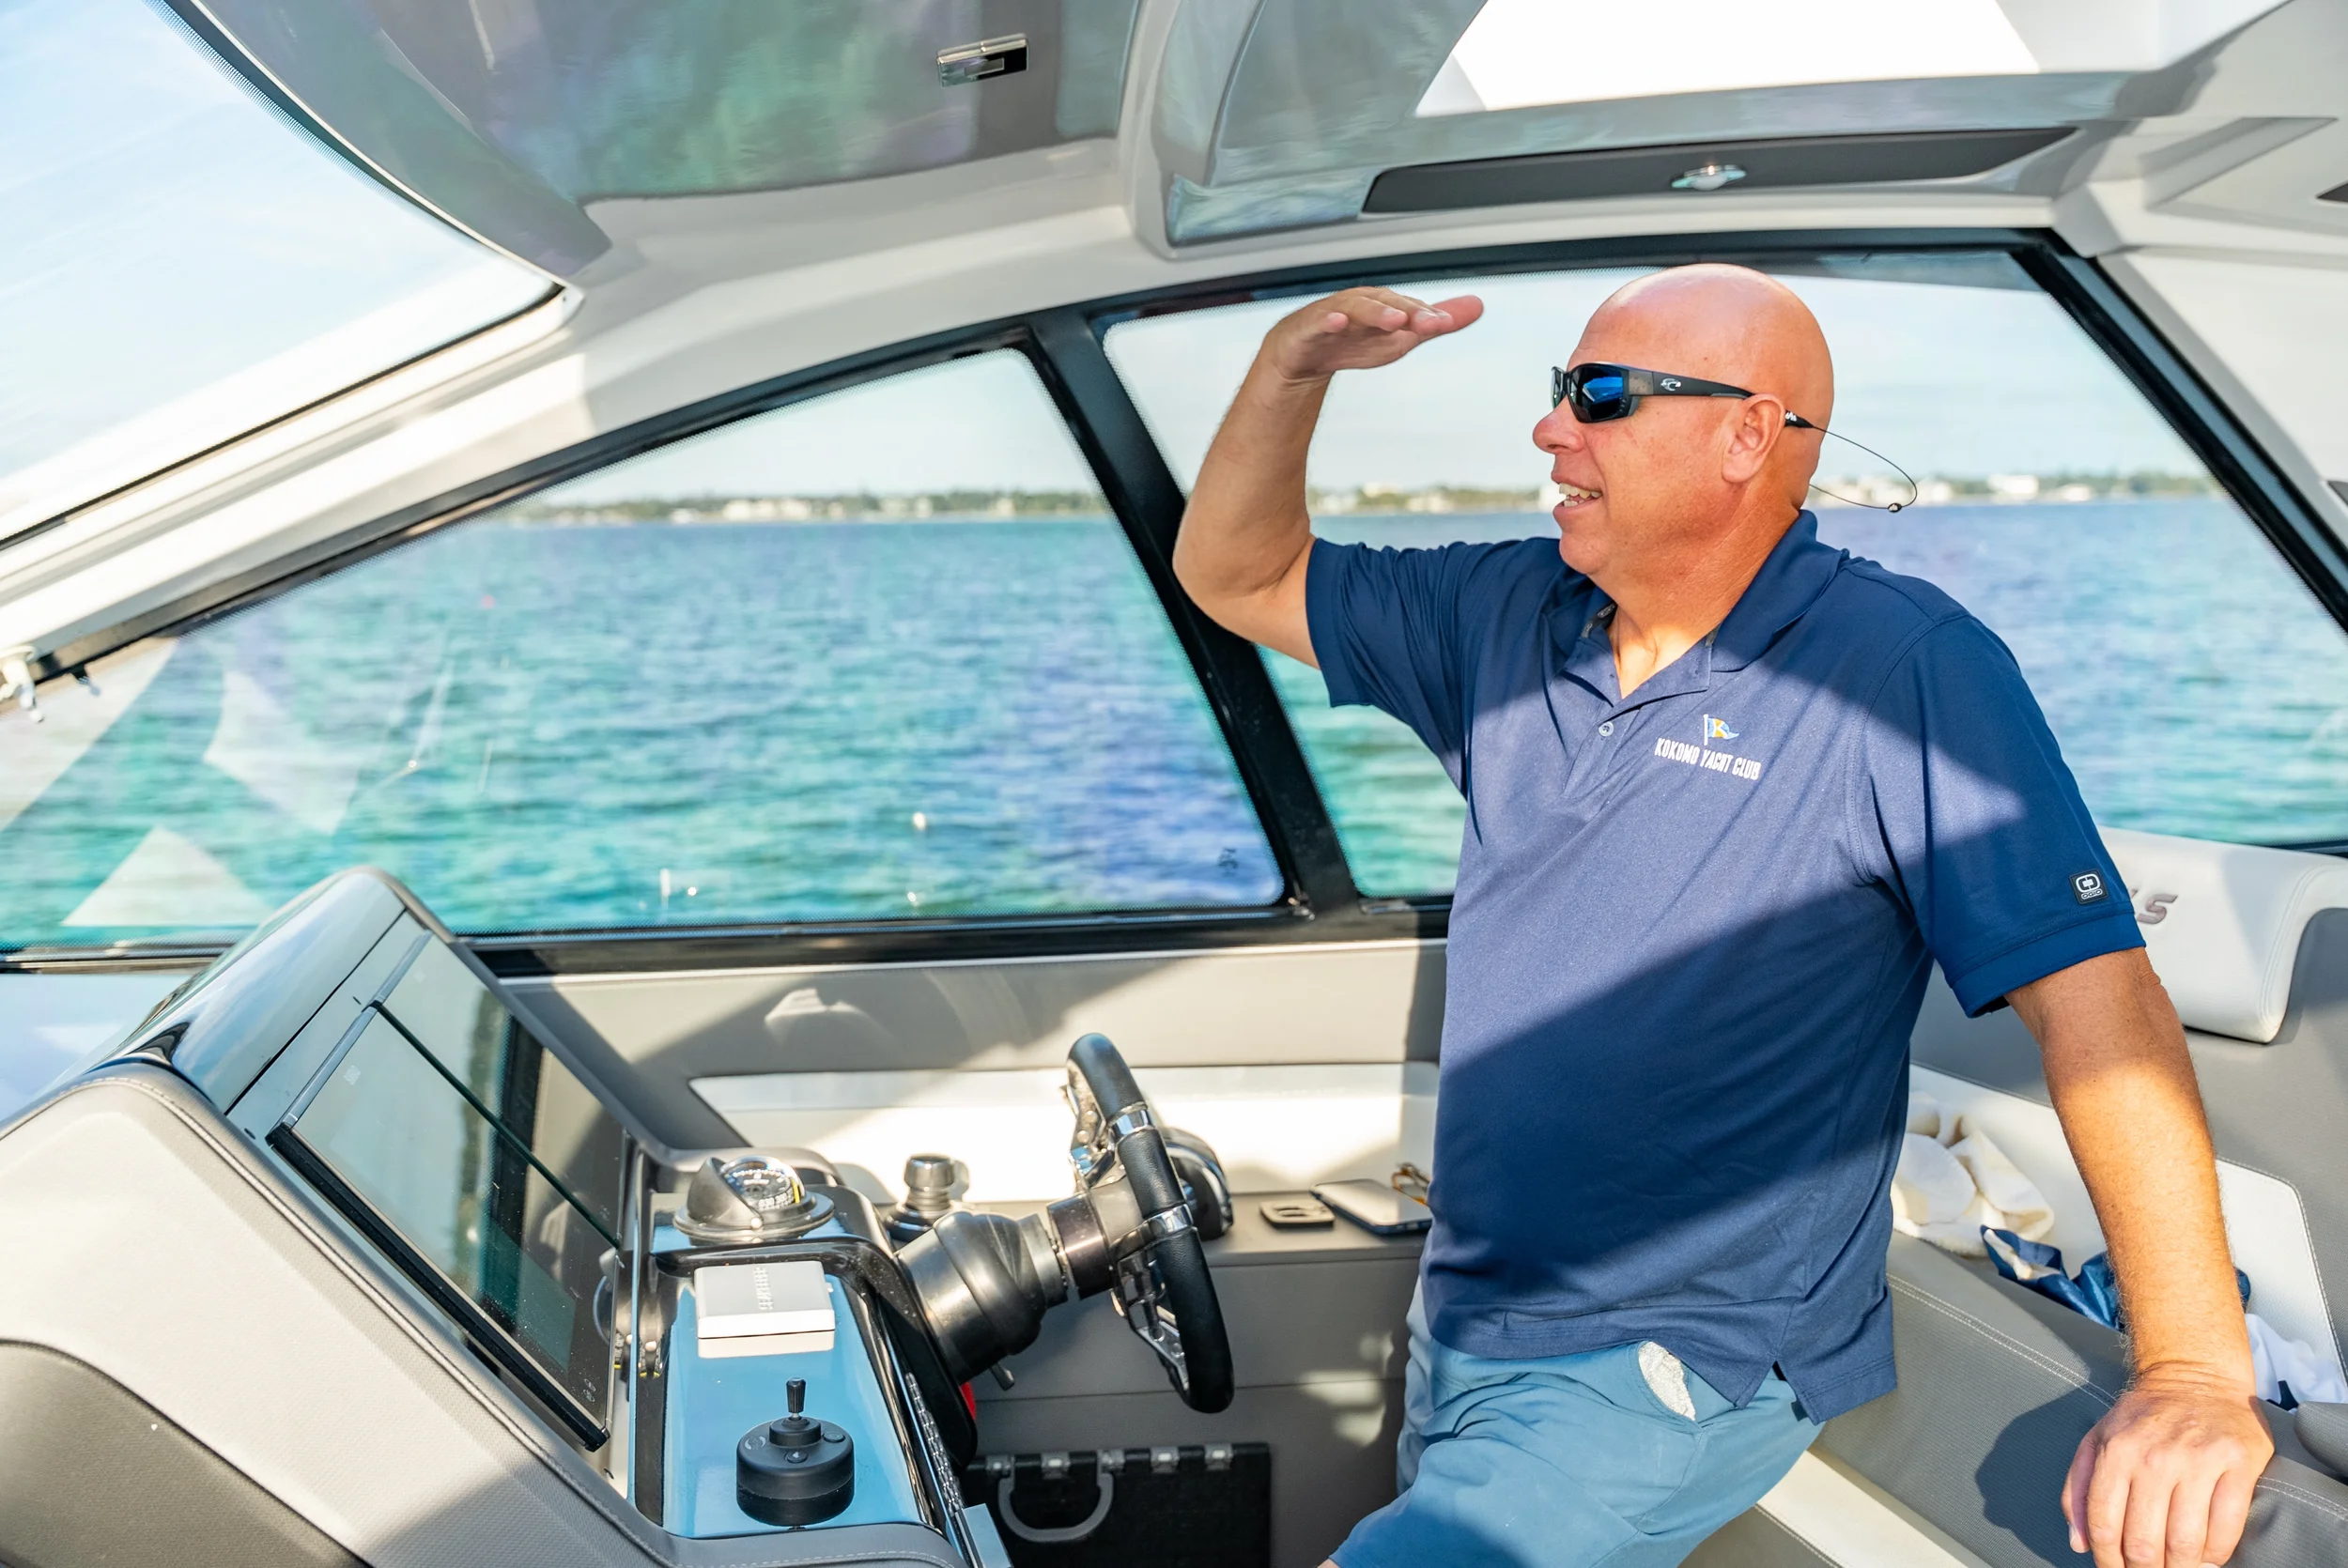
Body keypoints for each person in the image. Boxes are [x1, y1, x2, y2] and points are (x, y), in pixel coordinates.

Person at [1173, 266, 2272, 1568]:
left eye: (1600, 395)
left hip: (1668, 1360)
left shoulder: (1904, 668)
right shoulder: (1507, 613)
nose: (1549, 428)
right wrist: (1291, 374)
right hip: (1470, 1309)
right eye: (1558, 391)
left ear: (1749, 433)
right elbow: (1238, 572)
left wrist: (2197, 1371)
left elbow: (2100, 1003)